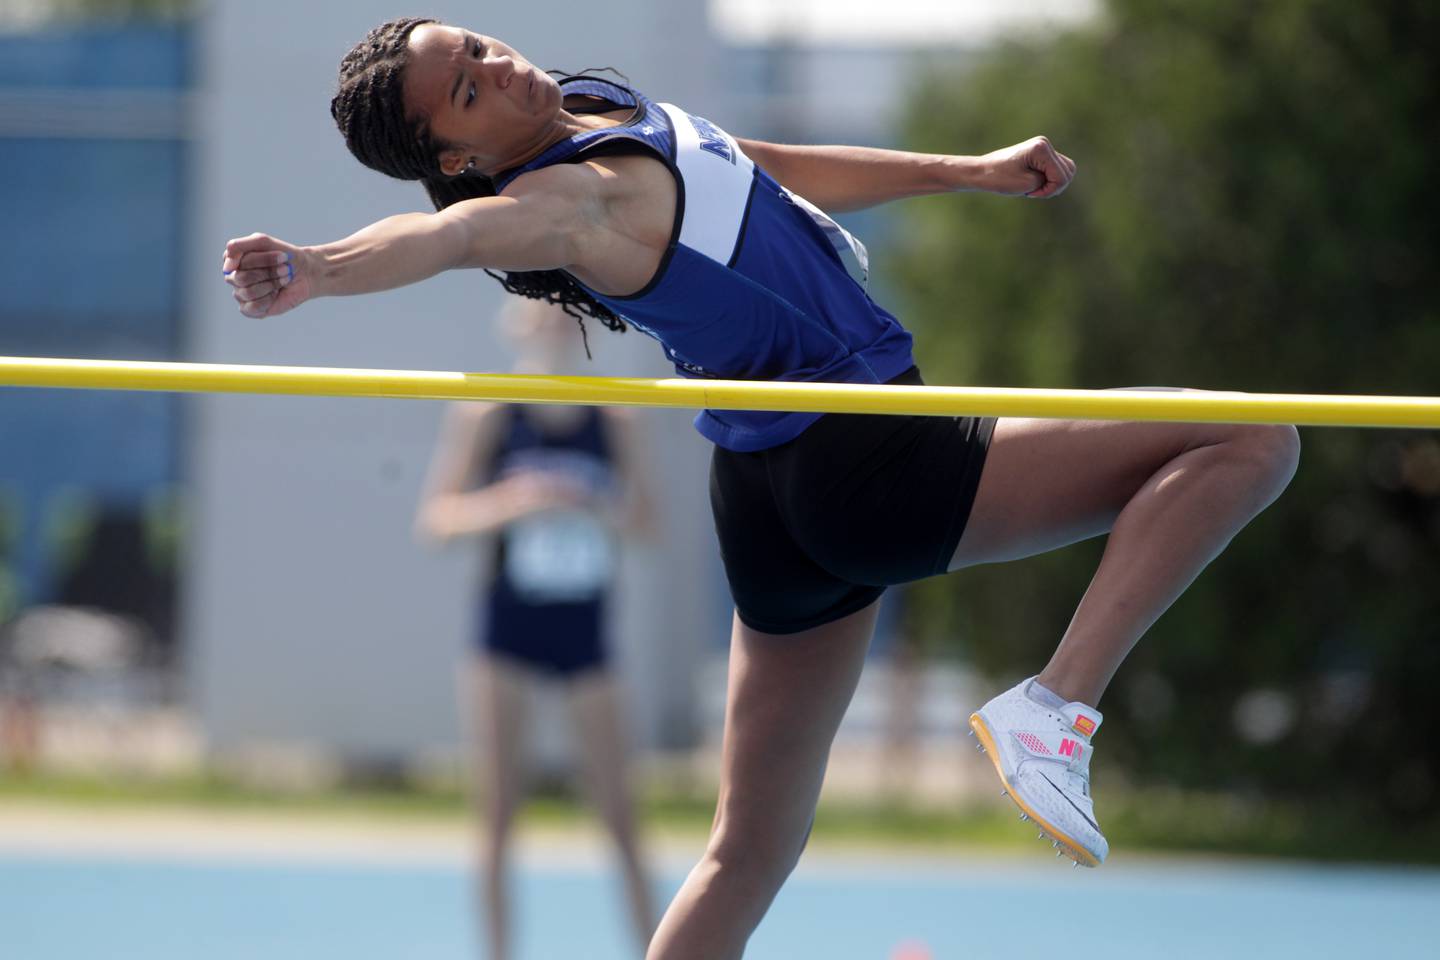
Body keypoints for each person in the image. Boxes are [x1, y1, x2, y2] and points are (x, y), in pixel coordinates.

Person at [222, 16, 1300, 958]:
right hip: (866, 459)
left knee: (741, 860)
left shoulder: (597, 104)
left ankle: (1047, 713)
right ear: (457, 157)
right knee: (1255, 439)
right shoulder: (564, 205)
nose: (499, 70)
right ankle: (1055, 707)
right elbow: (447, 237)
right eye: (468, 91)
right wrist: (318, 267)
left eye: (477, 47)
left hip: (769, 500)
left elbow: (757, 164)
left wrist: (962, 172)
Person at [414, 296, 657, 959]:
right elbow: (437, 519)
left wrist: (595, 505)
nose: (553, 325)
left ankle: (657, 949)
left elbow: (647, 524)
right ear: (517, 324)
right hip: (506, 634)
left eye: (567, 315)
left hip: (586, 633)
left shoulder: (615, 420)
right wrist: (512, 503)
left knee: (621, 817)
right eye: (542, 313)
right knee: (496, 816)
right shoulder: (489, 414)